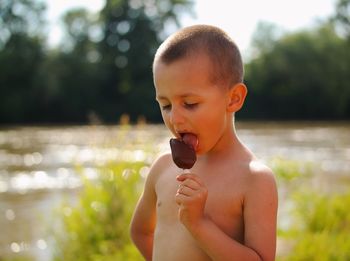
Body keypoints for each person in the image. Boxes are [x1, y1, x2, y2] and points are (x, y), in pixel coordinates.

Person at [130, 24, 278, 261]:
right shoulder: (162, 167)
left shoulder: (254, 179)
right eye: (166, 105)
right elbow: (140, 231)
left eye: (189, 103)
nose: (174, 118)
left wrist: (199, 224)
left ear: (233, 99)